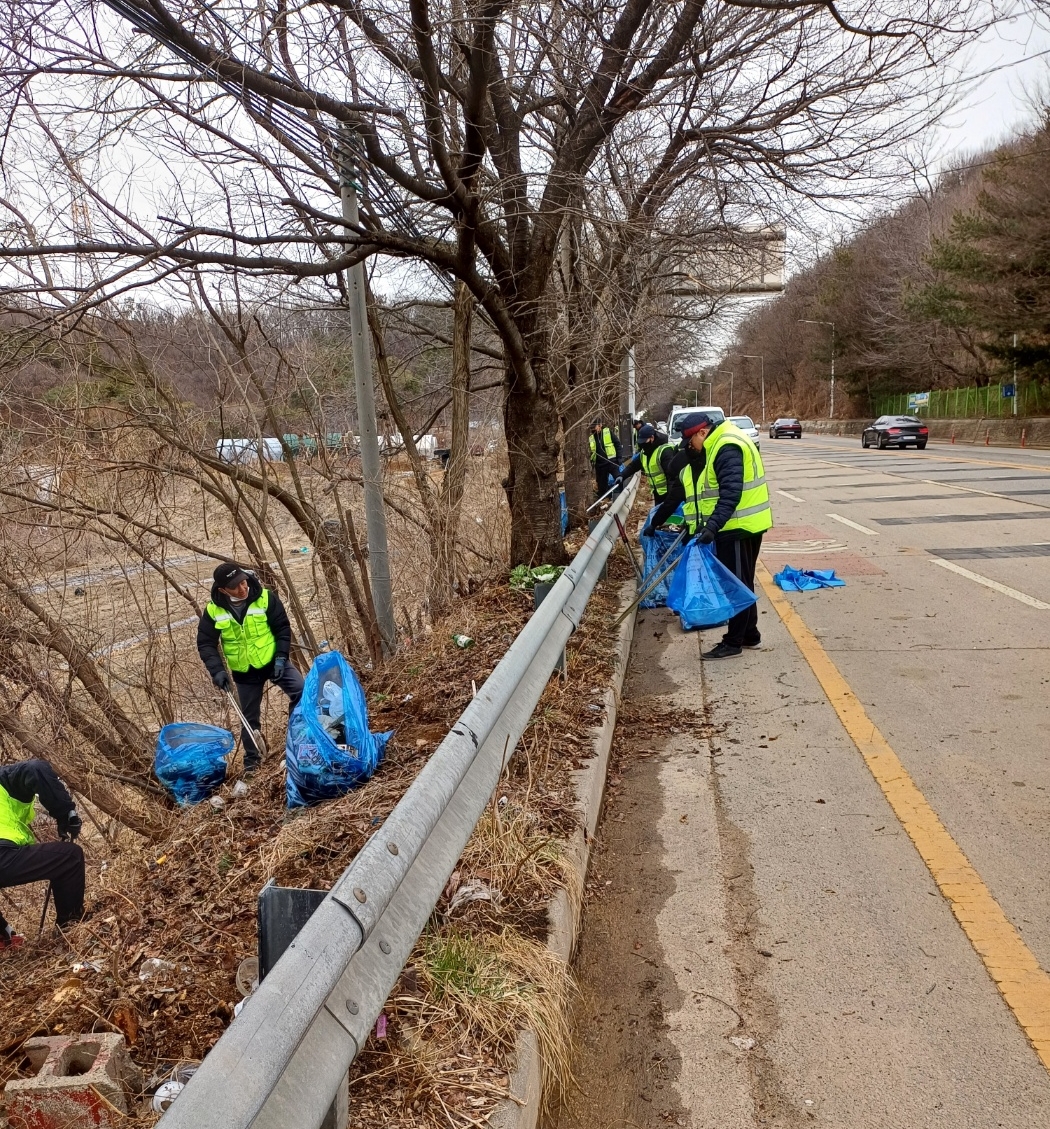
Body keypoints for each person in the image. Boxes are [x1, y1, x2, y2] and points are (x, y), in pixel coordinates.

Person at [646, 412, 772, 659]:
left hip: (739, 526)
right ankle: (750, 633)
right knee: (740, 581)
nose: (689, 448)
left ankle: (733, 642)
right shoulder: (710, 450)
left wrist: (711, 527)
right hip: (735, 525)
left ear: (702, 433)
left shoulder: (726, 446)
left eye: (691, 441)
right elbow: (678, 497)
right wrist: (657, 522)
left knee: (734, 584)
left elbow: (731, 494)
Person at [197, 562, 304, 772]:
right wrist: (217, 671)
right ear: (222, 590)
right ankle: (253, 764)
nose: (242, 588)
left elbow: (282, 628)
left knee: (302, 691)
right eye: (235, 586)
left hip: (273, 661)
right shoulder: (213, 610)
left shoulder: (265, 597)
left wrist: (282, 658)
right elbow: (206, 643)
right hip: (244, 671)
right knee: (249, 720)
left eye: (243, 581)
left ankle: (298, 736)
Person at [0, 758, 85, 942]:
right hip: (2, 856)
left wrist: (3, 929)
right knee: (70, 857)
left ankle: (4, 938)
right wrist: (66, 813)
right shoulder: (4, 779)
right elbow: (35, 768)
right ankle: (69, 930)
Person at [617, 424, 675, 503]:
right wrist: (622, 475)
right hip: (657, 494)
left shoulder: (664, 451)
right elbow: (633, 466)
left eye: (644, 441)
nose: (642, 444)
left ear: (652, 438)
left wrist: (671, 500)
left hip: (668, 495)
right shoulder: (644, 453)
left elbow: (672, 477)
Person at [588, 418, 622, 497]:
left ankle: (621, 494)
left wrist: (619, 458)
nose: (593, 429)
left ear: (600, 425)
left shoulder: (607, 432)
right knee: (601, 484)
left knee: (618, 478)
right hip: (600, 464)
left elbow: (617, 444)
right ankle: (604, 498)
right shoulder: (591, 438)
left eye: (594, 426)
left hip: (612, 462)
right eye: (592, 427)